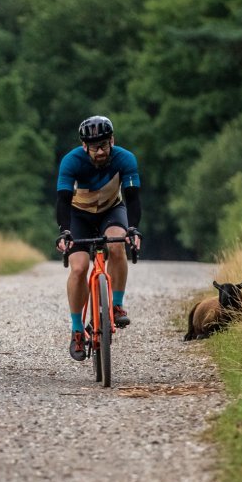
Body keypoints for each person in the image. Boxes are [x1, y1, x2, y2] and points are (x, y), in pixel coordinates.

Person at [55, 115, 142, 361]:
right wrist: (65, 231)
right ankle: (76, 330)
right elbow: (62, 200)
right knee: (80, 267)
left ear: (112, 140)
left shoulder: (125, 159)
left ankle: (115, 303)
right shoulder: (71, 162)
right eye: (95, 147)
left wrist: (133, 228)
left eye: (105, 144)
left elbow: (133, 197)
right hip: (78, 216)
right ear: (85, 146)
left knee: (117, 245)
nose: (101, 151)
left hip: (111, 211)